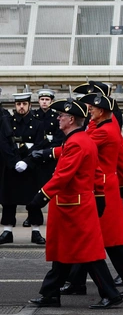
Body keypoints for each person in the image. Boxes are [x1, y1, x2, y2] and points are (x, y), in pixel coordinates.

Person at [26, 97, 122, 309]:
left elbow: (62, 176)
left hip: (74, 206)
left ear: (71, 119)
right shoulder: (81, 140)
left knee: (88, 253)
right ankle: (51, 293)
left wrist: (40, 197)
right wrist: (99, 196)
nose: (58, 118)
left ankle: (110, 293)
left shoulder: (76, 142)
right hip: (74, 204)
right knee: (63, 252)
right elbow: (96, 172)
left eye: (61, 116)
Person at [59, 93, 123, 299]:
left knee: (109, 242)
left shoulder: (105, 131)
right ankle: (77, 282)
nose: (89, 110)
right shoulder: (103, 126)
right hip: (105, 185)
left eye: (93, 108)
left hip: (104, 189)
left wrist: (49, 153)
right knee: (94, 239)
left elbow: (80, 145)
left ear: (103, 111)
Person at [0, 92, 46, 245]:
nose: (21, 107)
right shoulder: (8, 122)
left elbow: (40, 145)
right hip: (12, 169)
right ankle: (7, 231)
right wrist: (14, 163)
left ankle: (35, 231)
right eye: (18, 104)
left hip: (30, 168)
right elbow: (4, 146)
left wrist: (27, 162)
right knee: (8, 200)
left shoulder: (38, 124)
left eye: (24, 104)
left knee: (33, 200)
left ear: (29, 105)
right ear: (15, 105)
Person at [21, 89, 64, 228]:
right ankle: (32, 216)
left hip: (50, 156)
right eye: (42, 99)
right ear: (38, 101)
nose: (44, 102)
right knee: (32, 189)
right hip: (35, 156)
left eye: (47, 100)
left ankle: (55, 216)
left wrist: (46, 150)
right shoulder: (33, 115)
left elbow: (58, 138)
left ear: (51, 101)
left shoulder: (56, 117)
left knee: (51, 188)